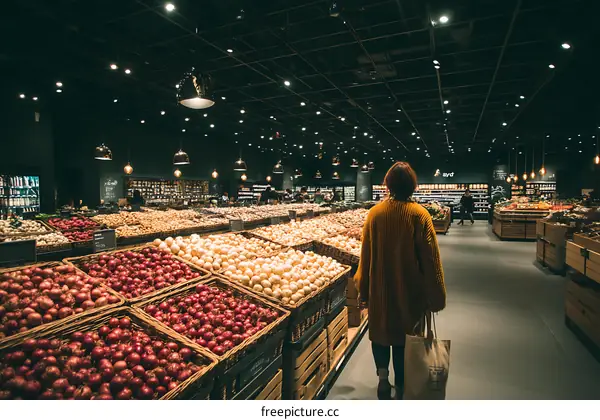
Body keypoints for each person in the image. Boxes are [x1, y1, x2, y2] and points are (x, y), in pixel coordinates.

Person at [354, 161, 446, 400]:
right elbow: (430, 259)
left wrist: (363, 288)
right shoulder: (420, 215)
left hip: (380, 291)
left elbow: (366, 255)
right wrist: (436, 296)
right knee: (406, 339)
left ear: (388, 185)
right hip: (410, 291)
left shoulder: (375, 214)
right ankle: (403, 386)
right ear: (412, 186)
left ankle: (383, 380)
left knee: (381, 333)